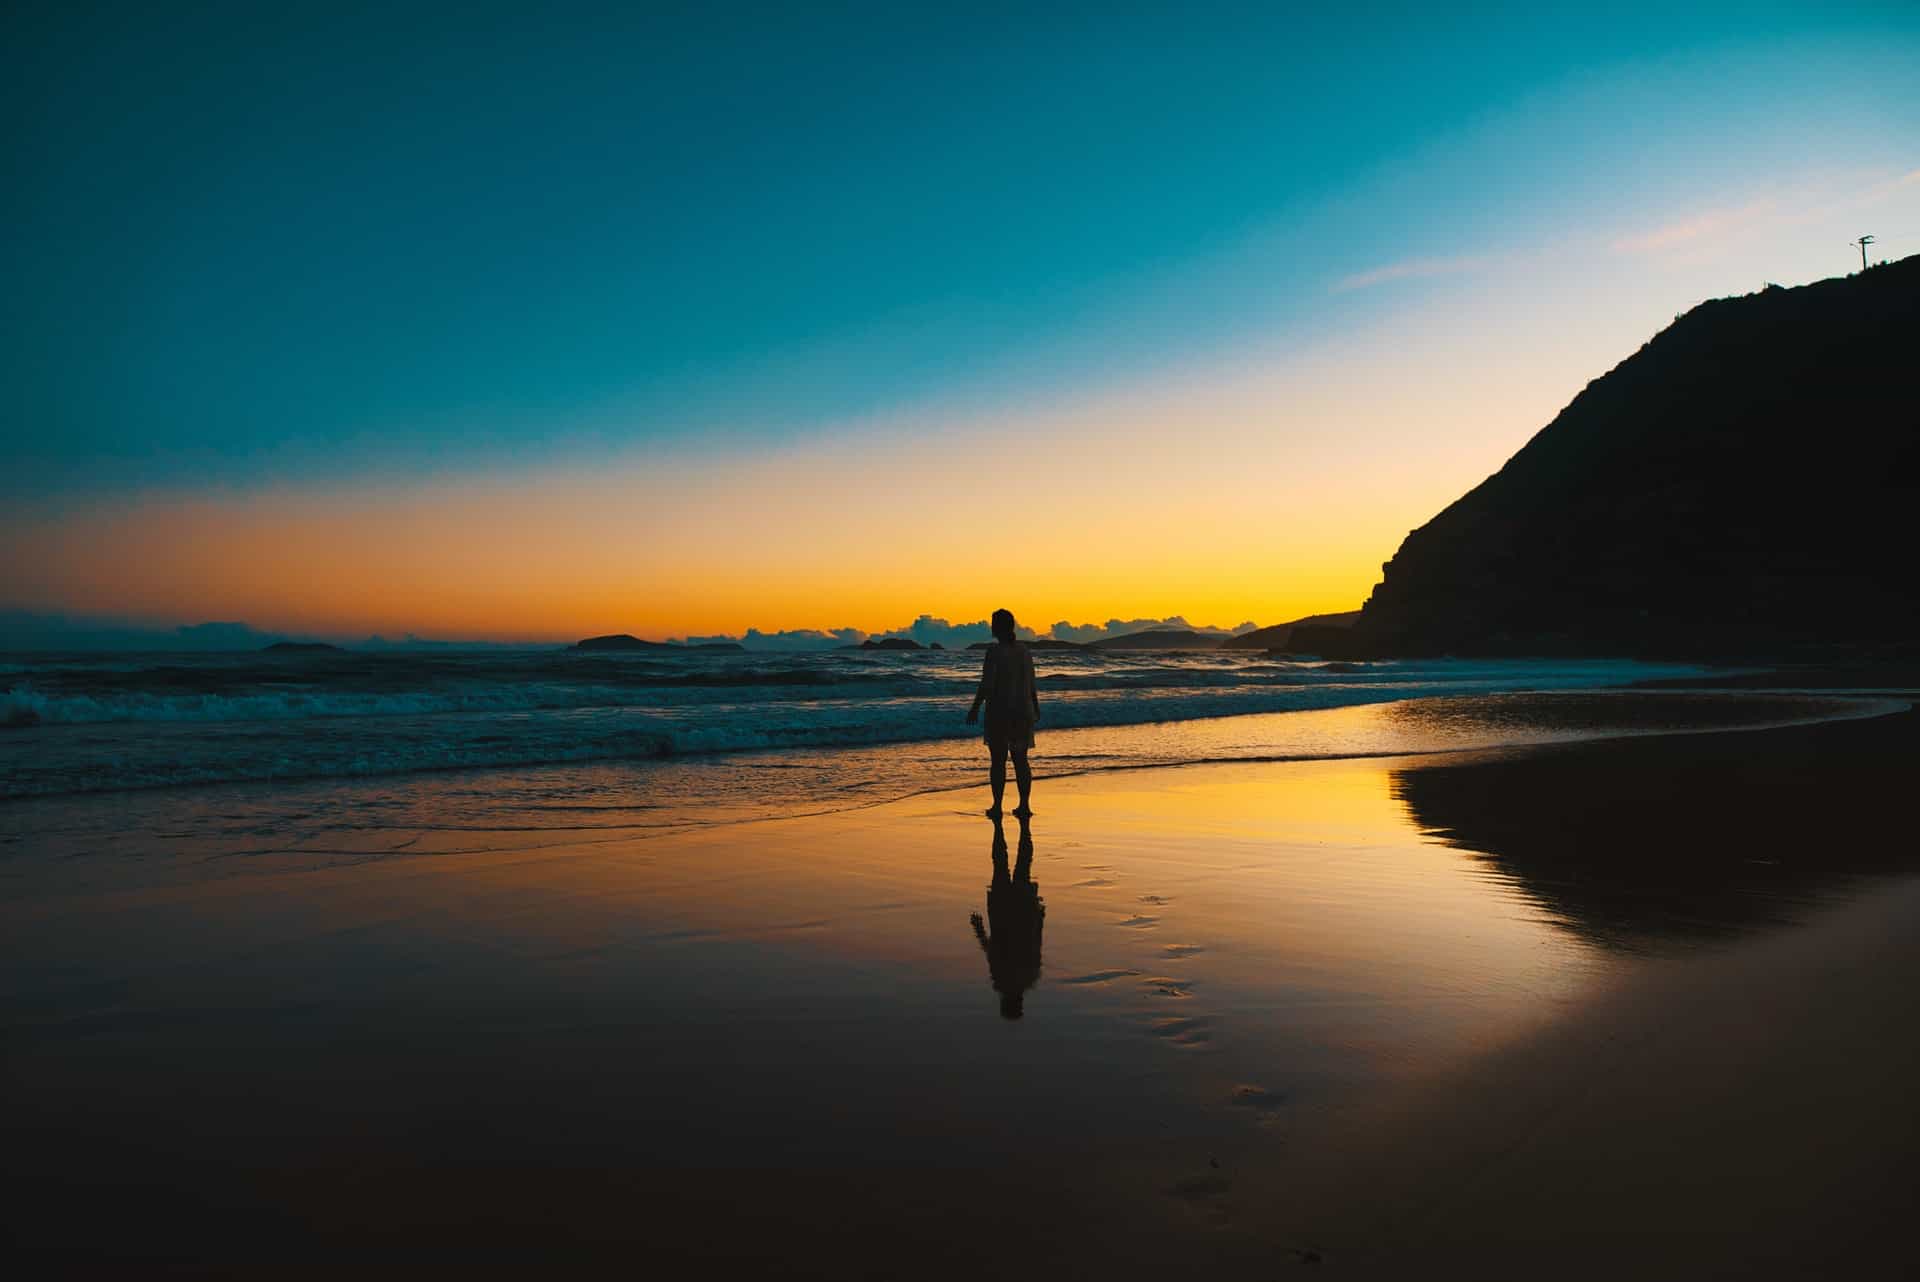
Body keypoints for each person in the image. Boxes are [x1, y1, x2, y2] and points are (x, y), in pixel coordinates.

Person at [965, 608, 1039, 818]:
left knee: (998, 761)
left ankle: (997, 806)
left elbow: (987, 684)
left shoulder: (994, 652)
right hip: (1022, 712)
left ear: (997, 627)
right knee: (1021, 760)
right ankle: (1024, 805)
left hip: (1000, 712)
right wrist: (1035, 706)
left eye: (993, 623)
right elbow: (1031, 682)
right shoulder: (1024, 651)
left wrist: (975, 707)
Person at [969, 813, 1044, 1019]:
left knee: (1020, 866)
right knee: (1003, 865)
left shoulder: (1025, 976)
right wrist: (979, 928)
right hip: (1010, 914)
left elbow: (1036, 941)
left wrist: (1040, 917)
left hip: (1017, 914)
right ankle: (1009, 828)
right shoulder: (1015, 977)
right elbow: (992, 949)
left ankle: (1012, 828)